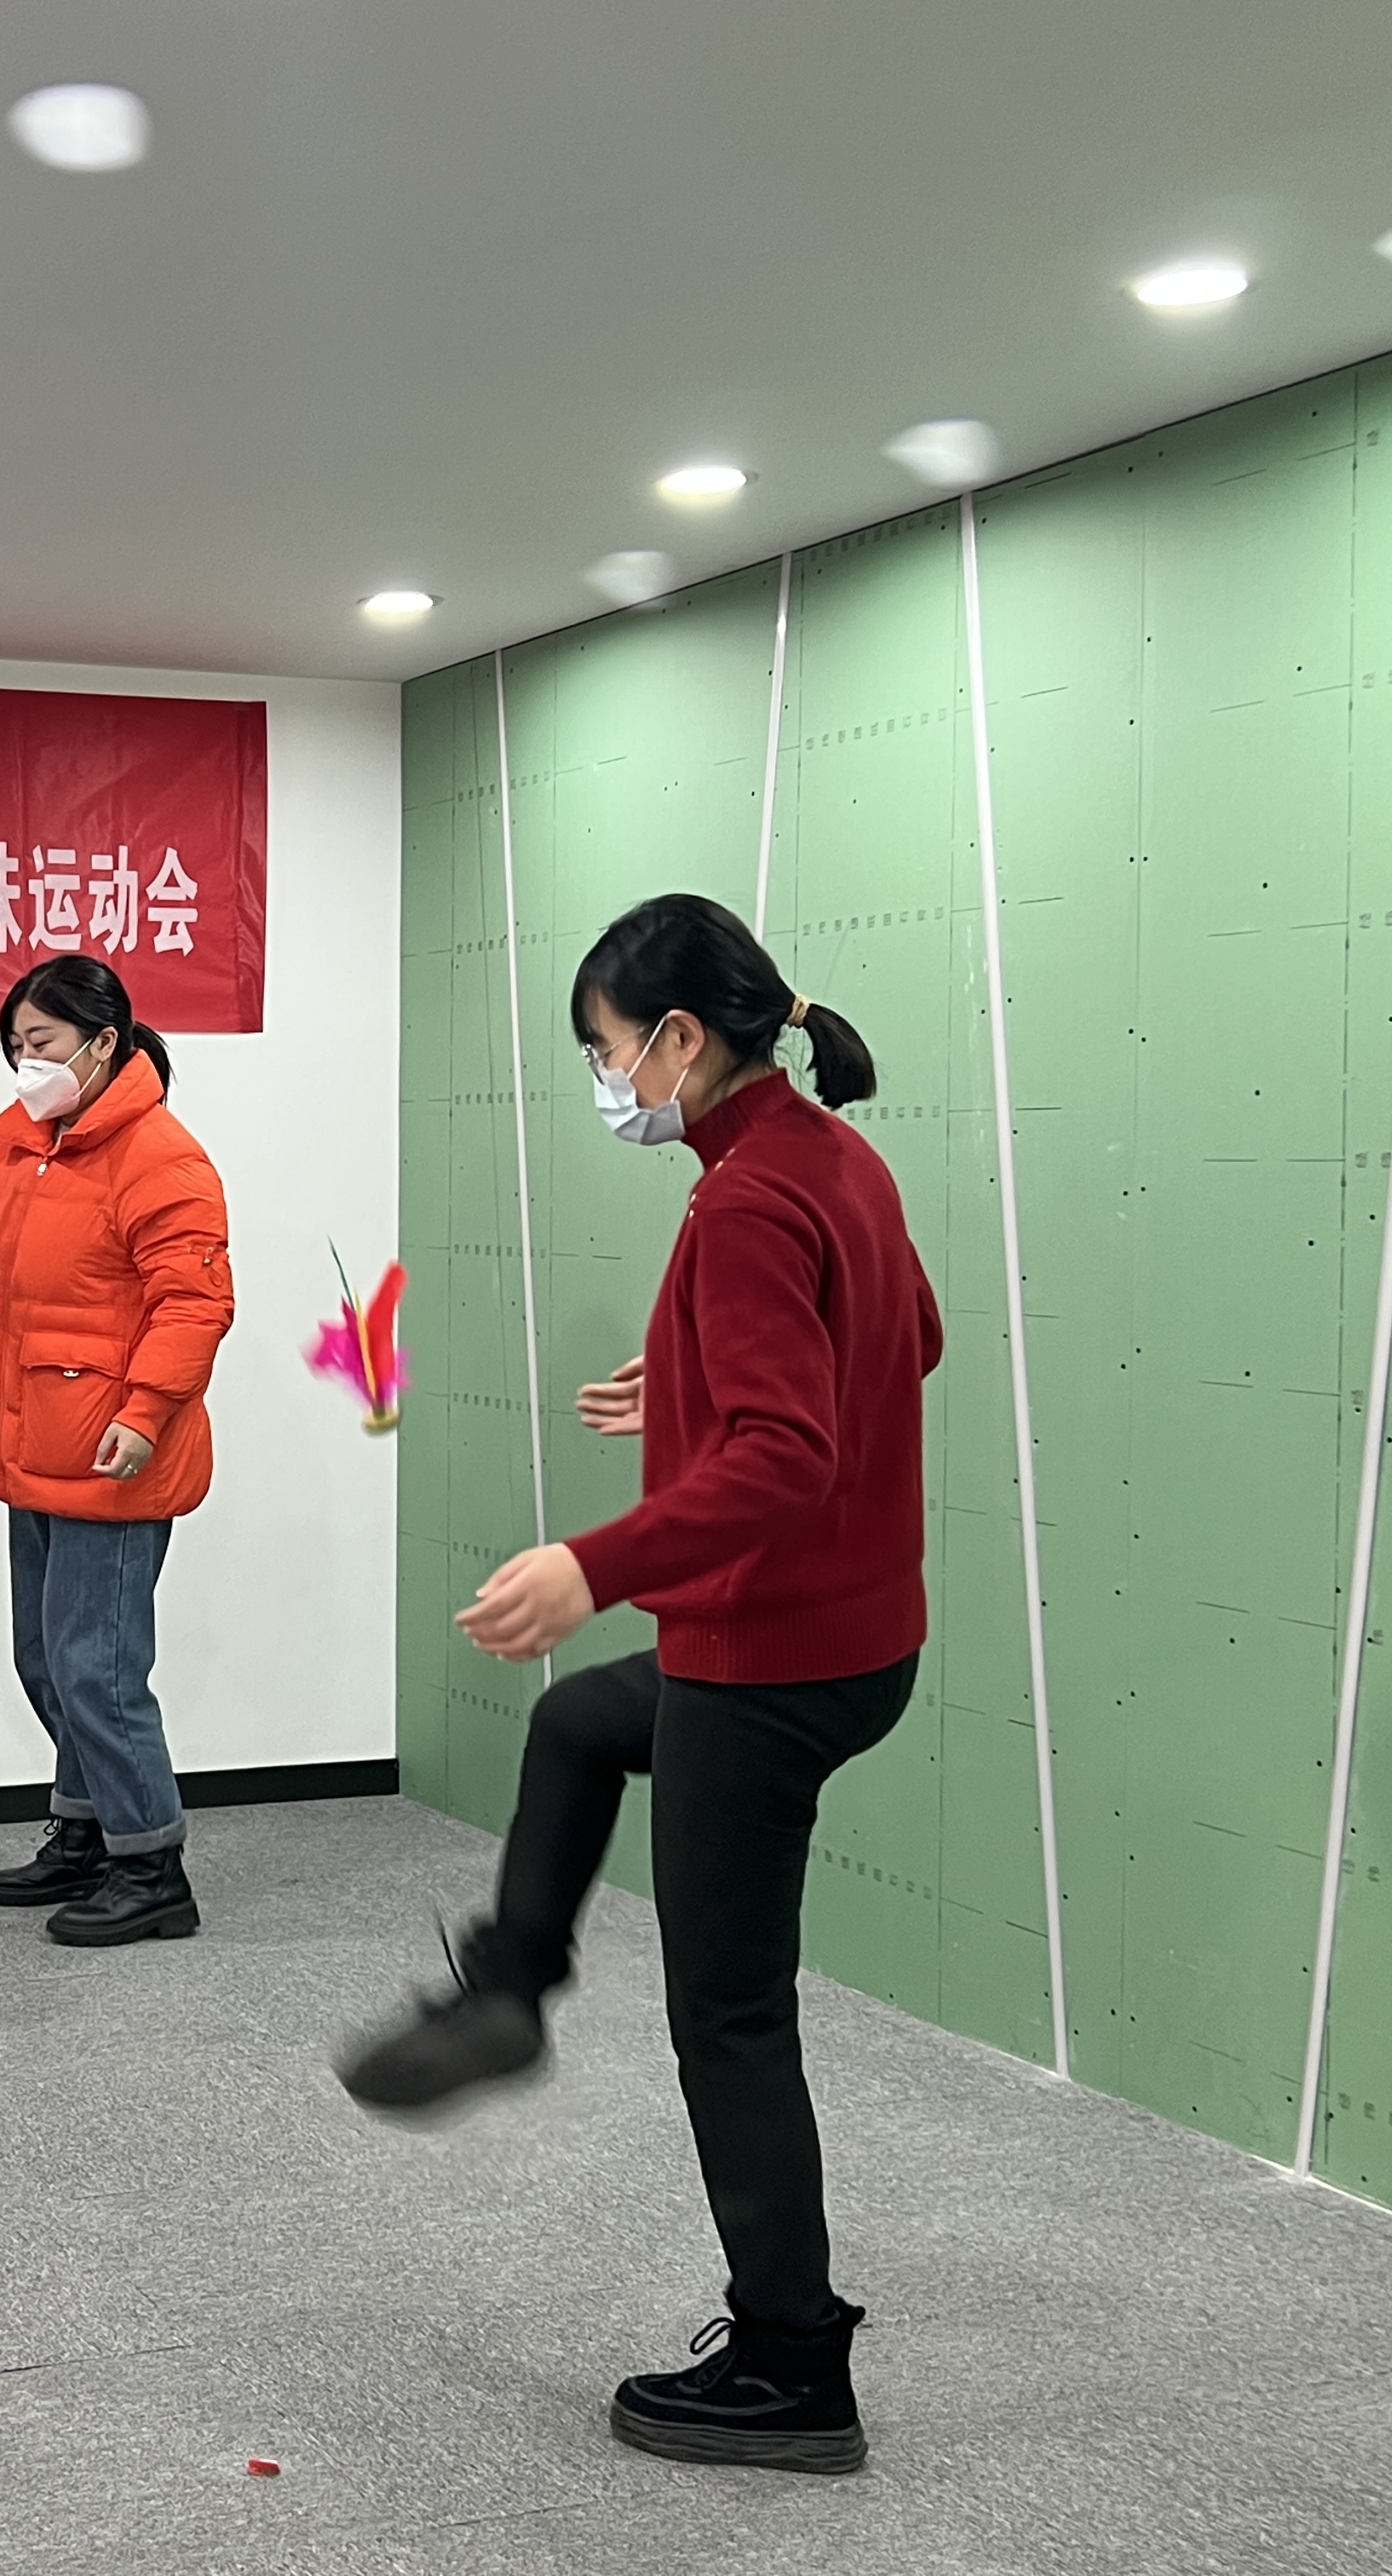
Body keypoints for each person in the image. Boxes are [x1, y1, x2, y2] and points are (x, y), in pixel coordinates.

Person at [333, 892, 938, 2475]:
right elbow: (911, 1335)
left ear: (678, 1037)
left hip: (771, 1660)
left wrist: (591, 1565)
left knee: (729, 2016)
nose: (608, 1082)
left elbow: (788, 1453)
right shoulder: (830, 1157)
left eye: (607, 1051)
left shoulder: (743, 1201)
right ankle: (508, 1988)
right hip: (863, 1639)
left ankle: (793, 2366)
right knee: (580, 1718)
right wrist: (687, 1376)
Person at [0, 957, 236, 1946]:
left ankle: (153, 1867)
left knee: (98, 1669)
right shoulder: (19, 1149)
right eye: (15, 1048)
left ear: (103, 1043)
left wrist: (146, 1412)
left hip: (113, 1452)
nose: (25, 1065)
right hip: (34, 1436)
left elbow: (194, 1302)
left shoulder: (160, 1158)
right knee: (46, 1659)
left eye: (41, 1045)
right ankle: (86, 1833)